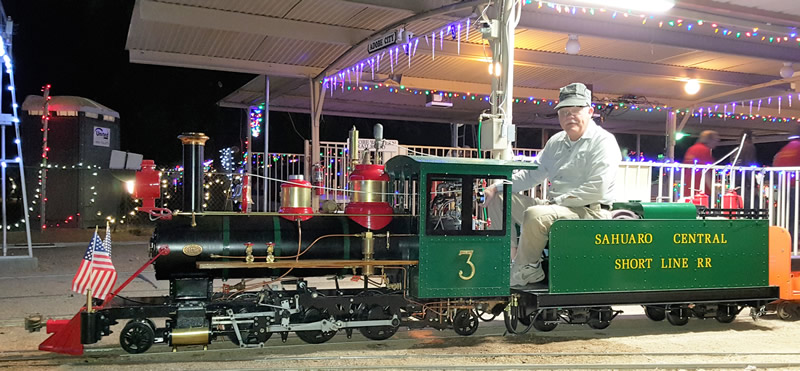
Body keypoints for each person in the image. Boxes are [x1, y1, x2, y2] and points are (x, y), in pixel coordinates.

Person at [483, 82, 621, 287]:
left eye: (576, 110)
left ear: (590, 111)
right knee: (500, 199)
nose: (569, 116)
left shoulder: (603, 142)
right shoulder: (556, 142)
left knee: (536, 213)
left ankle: (529, 269)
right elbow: (532, 175)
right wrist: (497, 187)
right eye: (564, 111)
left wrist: (558, 202)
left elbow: (596, 189)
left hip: (590, 213)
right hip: (557, 209)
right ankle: (509, 260)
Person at [682, 130, 719, 197]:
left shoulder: (691, 149)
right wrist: (714, 192)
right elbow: (705, 172)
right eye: (716, 140)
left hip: (689, 188)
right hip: (702, 191)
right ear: (710, 140)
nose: (716, 143)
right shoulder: (704, 150)